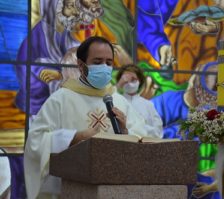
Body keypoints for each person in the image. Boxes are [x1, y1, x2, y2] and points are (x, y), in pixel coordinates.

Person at [24, 36, 148, 199]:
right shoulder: (61, 99)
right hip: (70, 190)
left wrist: (125, 132)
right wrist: (73, 138)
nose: (104, 67)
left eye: (109, 63)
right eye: (97, 62)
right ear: (81, 66)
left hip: (113, 190)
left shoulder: (118, 100)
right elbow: (35, 142)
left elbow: (143, 141)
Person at [116, 64, 164, 138]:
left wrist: (140, 130)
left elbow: (158, 131)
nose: (129, 82)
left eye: (133, 79)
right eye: (125, 80)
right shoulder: (116, 101)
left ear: (140, 81)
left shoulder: (148, 105)